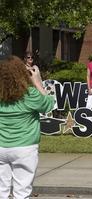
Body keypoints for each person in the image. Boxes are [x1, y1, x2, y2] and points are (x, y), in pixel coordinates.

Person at [0, 56, 54, 198]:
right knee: (22, 192)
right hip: (25, 148)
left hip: (1, 146)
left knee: (1, 190)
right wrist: (37, 82)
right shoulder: (30, 95)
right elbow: (48, 105)